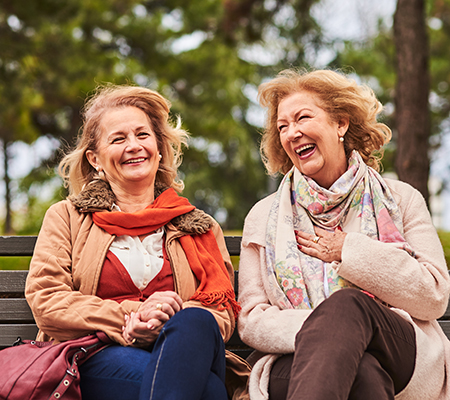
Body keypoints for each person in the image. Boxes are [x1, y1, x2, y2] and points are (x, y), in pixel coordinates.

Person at [237, 68, 450, 400]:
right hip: (292, 361)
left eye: (302, 118)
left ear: (341, 123)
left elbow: (434, 295)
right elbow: (252, 320)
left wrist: (349, 250)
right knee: (362, 373)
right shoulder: (264, 216)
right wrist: (329, 331)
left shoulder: (401, 199)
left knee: (348, 306)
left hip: (397, 349)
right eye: (282, 126)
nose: (292, 133)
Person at [25, 84, 245, 400]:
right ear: (95, 158)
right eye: (118, 139)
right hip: (96, 353)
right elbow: (48, 299)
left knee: (194, 319)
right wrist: (132, 316)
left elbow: (221, 312)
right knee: (209, 391)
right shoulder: (68, 217)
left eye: (143, 135)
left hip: (185, 350)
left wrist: (168, 318)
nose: (134, 146)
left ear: (159, 148)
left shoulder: (198, 224)